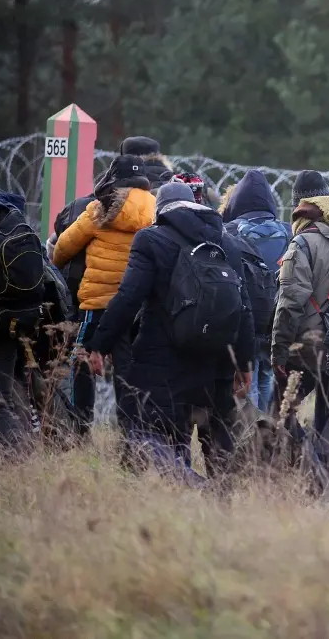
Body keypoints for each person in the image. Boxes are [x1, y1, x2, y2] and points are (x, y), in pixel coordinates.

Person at [83, 182, 255, 481]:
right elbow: (243, 307)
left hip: (162, 359)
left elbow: (128, 297)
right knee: (218, 441)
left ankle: (191, 486)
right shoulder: (226, 241)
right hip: (217, 360)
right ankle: (222, 496)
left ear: (159, 210)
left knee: (150, 432)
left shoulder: (151, 238)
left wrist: (99, 343)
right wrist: (244, 362)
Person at [52, 155, 155, 432]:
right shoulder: (154, 209)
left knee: (82, 364)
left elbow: (63, 248)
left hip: (96, 304)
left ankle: (80, 427)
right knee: (127, 372)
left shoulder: (101, 208)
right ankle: (130, 433)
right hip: (134, 306)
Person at [271, 179, 329, 426]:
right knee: (328, 422)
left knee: (280, 415)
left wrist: (279, 352)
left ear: (299, 207)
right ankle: (319, 450)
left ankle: (297, 450)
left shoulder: (302, 243)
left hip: (304, 346)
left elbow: (290, 302)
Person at [0, 175, 47, 452]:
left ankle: (16, 458)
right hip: (13, 318)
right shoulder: (6, 212)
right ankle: (21, 455)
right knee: (1, 396)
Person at [220, 169, 291, 411]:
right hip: (277, 320)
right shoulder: (288, 231)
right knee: (267, 377)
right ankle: (266, 430)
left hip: (245, 319)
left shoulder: (229, 231)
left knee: (244, 381)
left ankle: (249, 432)